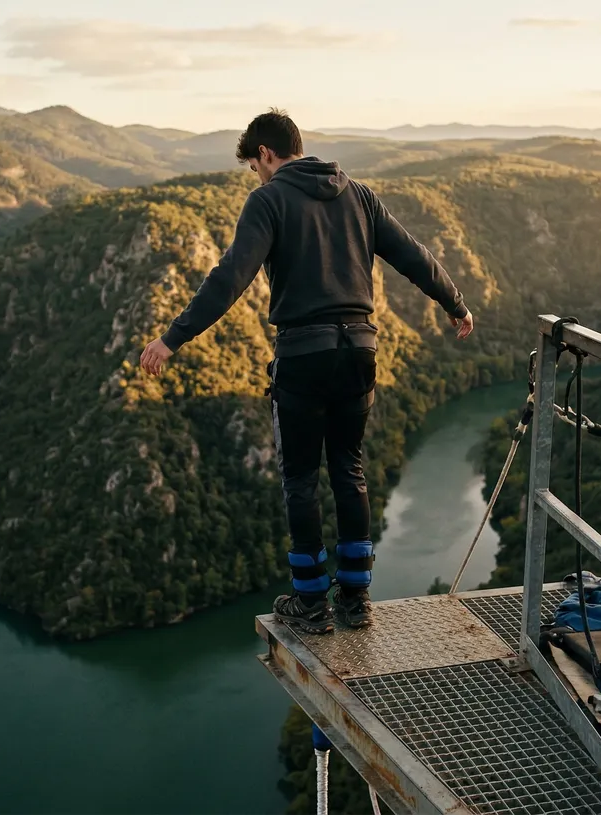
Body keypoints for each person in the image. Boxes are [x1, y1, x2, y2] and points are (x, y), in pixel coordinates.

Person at [138, 109, 474, 635]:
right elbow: (412, 254)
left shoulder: (268, 199)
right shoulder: (358, 194)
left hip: (303, 354)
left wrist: (172, 338)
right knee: (349, 468)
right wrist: (454, 302)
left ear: (266, 155)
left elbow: (230, 277)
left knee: (300, 478)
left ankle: (312, 602)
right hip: (361, 349)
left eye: (254, 166)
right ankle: (357, 600)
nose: (257, 175)